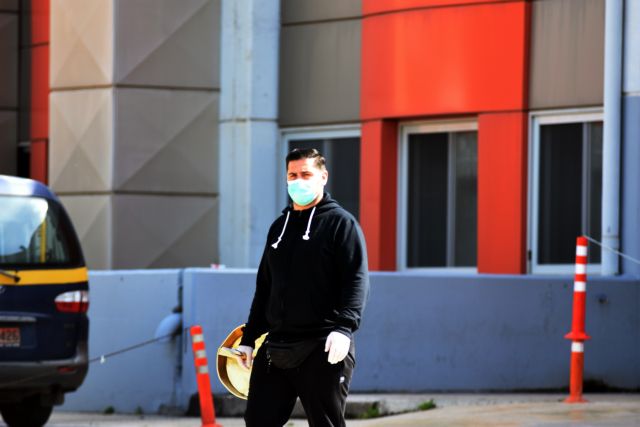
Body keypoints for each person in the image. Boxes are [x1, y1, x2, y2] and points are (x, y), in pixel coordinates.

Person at [235, 148, 369, 427]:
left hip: (323, 346)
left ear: (323, 176)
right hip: (276, 347)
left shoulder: (341, 224)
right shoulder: (278, 228)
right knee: (257, 421)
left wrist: (344, 328)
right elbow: (265, 287)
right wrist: (249, 337)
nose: (298, 181)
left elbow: (356, 280)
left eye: (306, 174)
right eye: (292, 175)